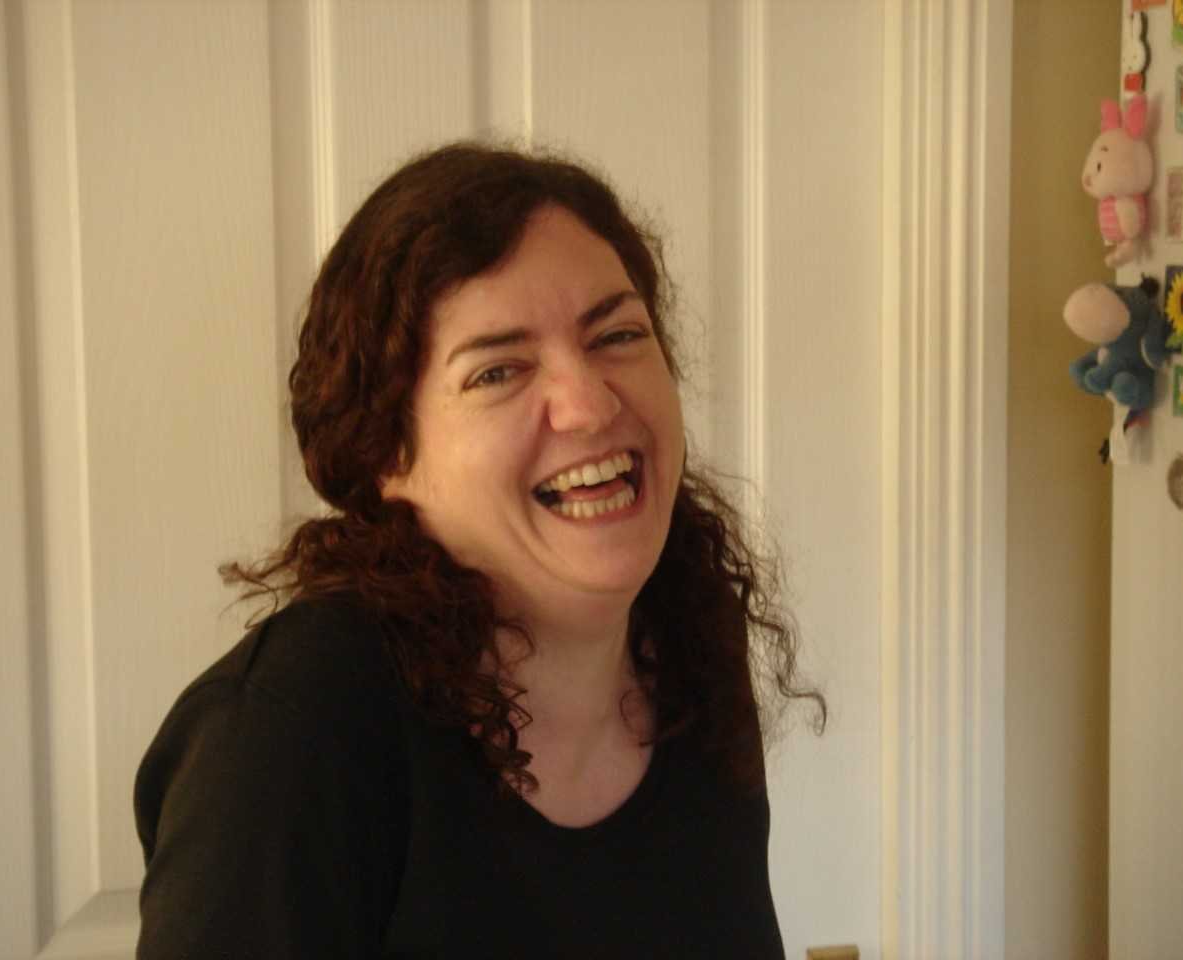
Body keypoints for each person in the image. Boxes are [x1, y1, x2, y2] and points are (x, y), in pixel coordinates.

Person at [133, 142, 825, 958]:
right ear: (387, 452)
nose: (590, 403)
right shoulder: (293, 731)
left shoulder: (688, 641)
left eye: (618, 335)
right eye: (498, 371)